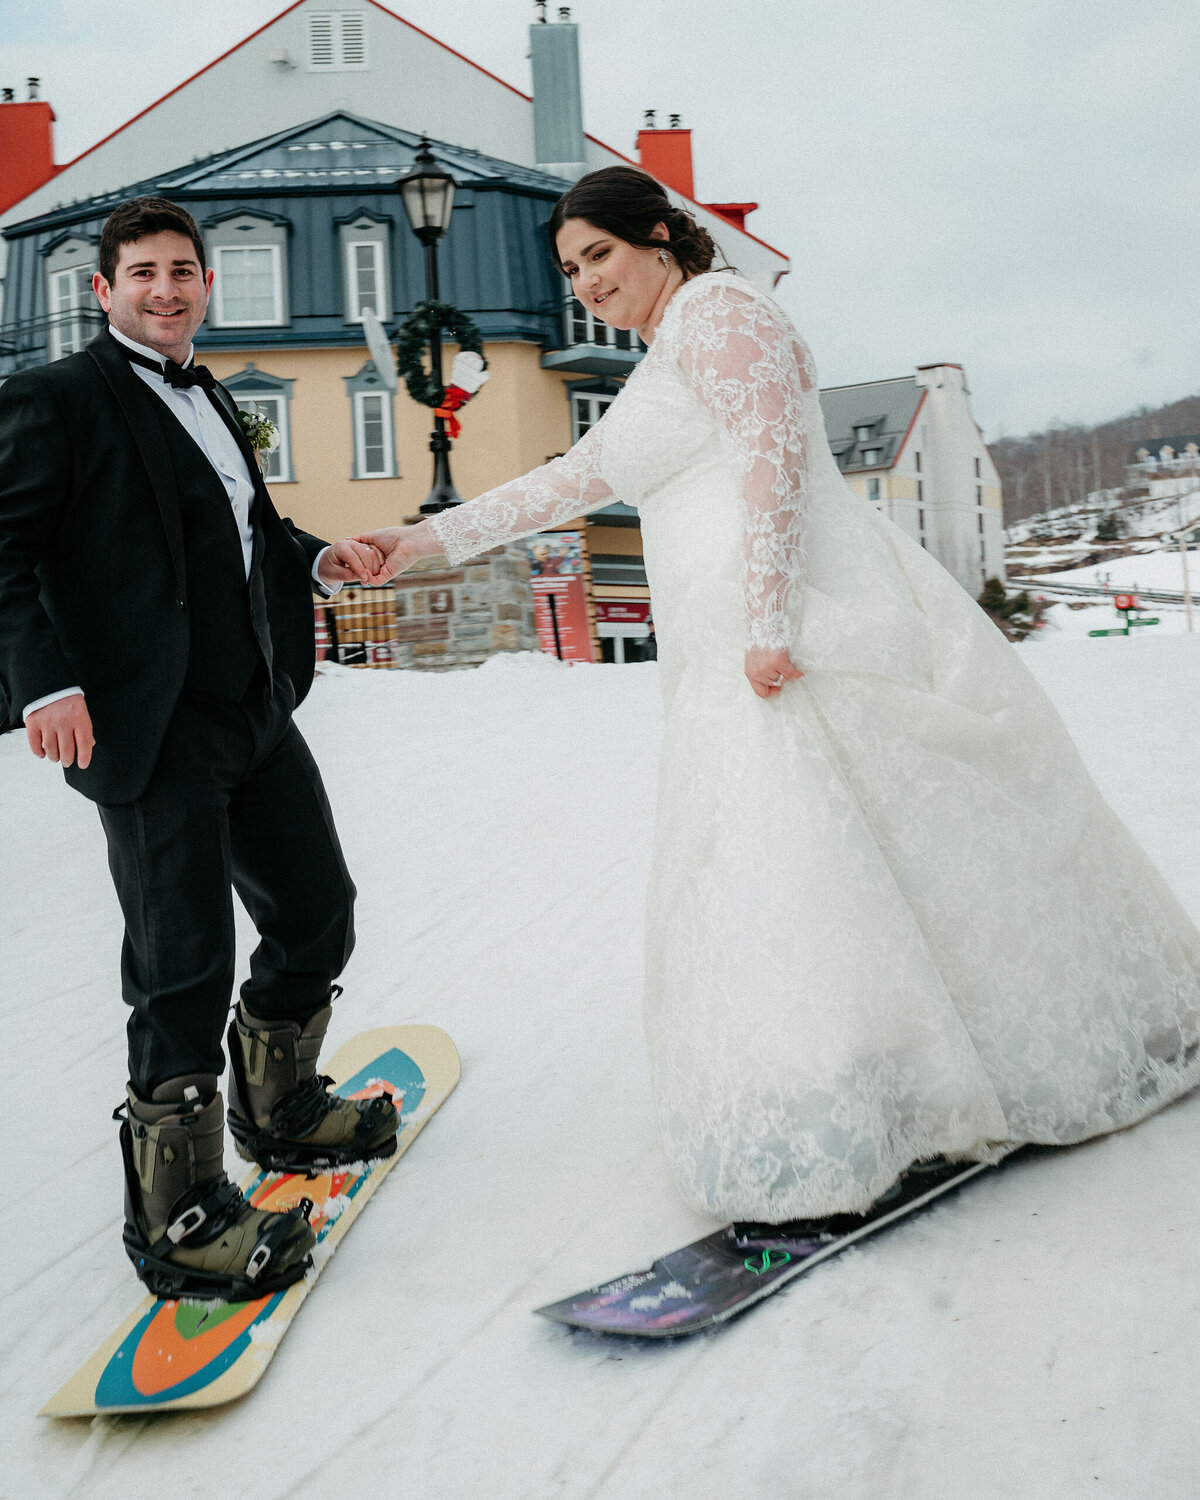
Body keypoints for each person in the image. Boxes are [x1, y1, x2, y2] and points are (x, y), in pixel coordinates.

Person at [355, 166, 1200, 1225]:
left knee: (839, 856)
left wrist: (765, 623)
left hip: (800, 633)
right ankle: (886, 1088)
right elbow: (570, 480)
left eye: (600, 255)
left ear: (660, 236)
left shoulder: (721, 312)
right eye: (572, 270)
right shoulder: (669, 352)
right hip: (733, 651)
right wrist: (417, 542)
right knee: (810, 872)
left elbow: (774, 460)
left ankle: (969, 1078)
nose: (587, 284)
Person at [0, 197, 399, 1298]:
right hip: (147, 728)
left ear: (205, 285)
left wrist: (321, 562)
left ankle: (283, 1108)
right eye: (144, 274)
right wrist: (47, 682)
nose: (167, 289)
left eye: (184, 271)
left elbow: (246, 532)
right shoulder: (55, 399)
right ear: (103, 290)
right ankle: (178, 1219)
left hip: (252, 710)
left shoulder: (211, 389)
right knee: (181, 967)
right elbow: (4, 550)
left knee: (318, 908)